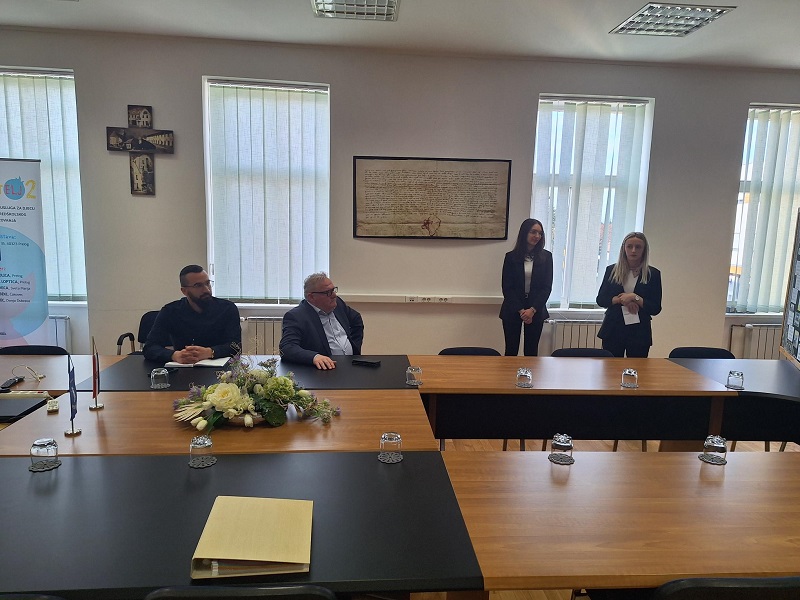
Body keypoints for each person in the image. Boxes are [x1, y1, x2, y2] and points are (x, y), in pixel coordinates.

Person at [143, 265, 241, 364]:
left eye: (207, 283)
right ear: (184, 291)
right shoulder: (170, 311)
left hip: (222, 369)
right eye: (198, 286)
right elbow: (150, 347)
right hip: (184, 367)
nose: (206, 290)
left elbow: (236, 346)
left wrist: (210, 352)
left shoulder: (227, 308)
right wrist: (174, 355)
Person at [596, 231, 662, 358]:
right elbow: (601, 300)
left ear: (644, 250)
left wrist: (634, 297)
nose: (633, 250)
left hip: (639, 331)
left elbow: (655, 308)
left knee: (638, 367)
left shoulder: (653, 274)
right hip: (613, 328)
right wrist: (620, 300)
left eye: (638, 247)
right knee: (611, 368)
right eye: (629, 246)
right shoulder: (612, 270)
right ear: (624, 248)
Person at [279, 272, 364, 370]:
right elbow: (287, 348)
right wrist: (314, 357)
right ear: (311, 297)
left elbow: (356, 320)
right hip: (323, 370)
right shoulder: (297, 316)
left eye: (333, 290)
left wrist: (354, 348)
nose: (334, 295)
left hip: (350, 366)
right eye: (328, 292)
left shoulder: (338, 304)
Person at [499, 218, 553, 356]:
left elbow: (546, 287)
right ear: (524, 233)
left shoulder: (546, 257)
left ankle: (529, 373)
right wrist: (521, 310)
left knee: (531, 352)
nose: (537, 236)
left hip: (536, 309)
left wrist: (532, 310)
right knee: (511, 350)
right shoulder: (511, 257)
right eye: (533, 232)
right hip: (513, 308)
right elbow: (507, 287)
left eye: (540, 233)